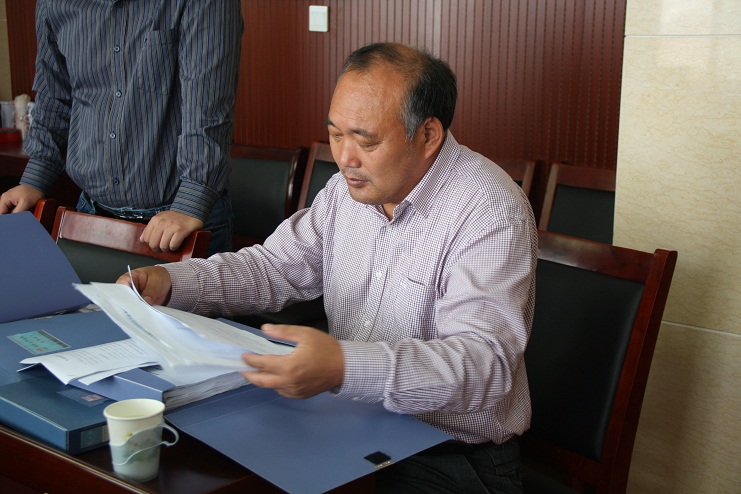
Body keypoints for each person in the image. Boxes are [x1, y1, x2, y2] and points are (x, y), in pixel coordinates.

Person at [121, 42, 537, 493]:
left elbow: (483, 365)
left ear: (428, 135)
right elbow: (273, 268)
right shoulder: (346, 190)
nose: (345, 158)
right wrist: (173, 283)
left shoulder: (489, 210)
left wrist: (343, 367)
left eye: (366, 140)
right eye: (336, 135)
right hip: (350, 423)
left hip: (448, 454)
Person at [0, 0, 243, 256]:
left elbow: (208, 110)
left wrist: (191, 203)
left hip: (181, 224)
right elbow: (55, 95)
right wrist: (34, 179)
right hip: (90, 218)